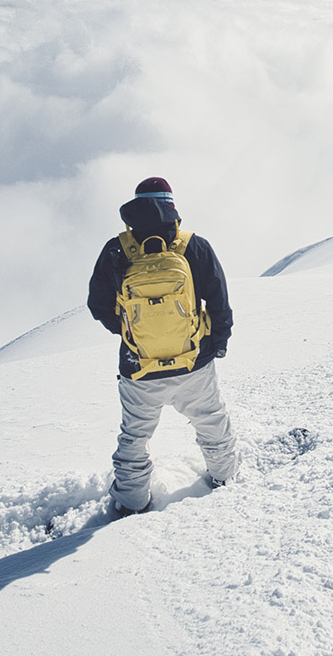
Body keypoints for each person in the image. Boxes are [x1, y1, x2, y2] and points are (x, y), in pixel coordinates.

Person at [88, 177, 238, 516]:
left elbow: (98, 304)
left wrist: (131, 334)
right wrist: (215, 345)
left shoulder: (117, 249)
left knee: (134, 437)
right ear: (171, 206)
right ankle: (224, 477)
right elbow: (219, 303)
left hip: (138, 366)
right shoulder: (193, 246)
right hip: (193, 361)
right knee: (212, 421)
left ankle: (131, 501)